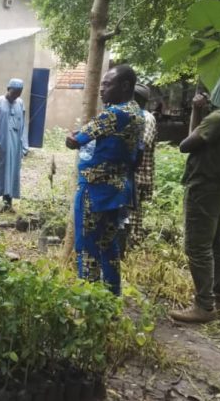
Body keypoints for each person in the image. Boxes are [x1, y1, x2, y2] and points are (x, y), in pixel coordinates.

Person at [168, 78, 220, 323]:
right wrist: (197, 111)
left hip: (204, 187)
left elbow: (186, 145)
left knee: (197, 247)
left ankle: (204, 306)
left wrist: (198, 112)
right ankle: (219, 297)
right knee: (215, 244)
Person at [65, 65, 144, 296]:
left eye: (107, 84)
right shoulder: (137, 113)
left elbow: (77, 140)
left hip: (95, 190)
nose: (101, 89)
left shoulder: (114, 113)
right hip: (119, 191)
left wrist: (72, 138)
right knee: (109, 245)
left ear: (125, 86)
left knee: (87, 246)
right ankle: (111, 296)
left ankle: (88, 302)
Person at [0, 78, 29, 216]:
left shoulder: (20, 103)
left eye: (19, 92)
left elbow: (23, 125)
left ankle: (7, 204)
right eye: (14, 92)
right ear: (8, 88)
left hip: (15, 145)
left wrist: (24, 145)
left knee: (12, 173)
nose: (16, 95)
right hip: (1, 145)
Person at [128, 84, 156, 242]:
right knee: (130, 212)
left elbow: (142, 144)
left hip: (138, 173)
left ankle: (133, 242)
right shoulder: (133, 116)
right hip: (133, 172)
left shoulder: (147, 118)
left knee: (134, 214)